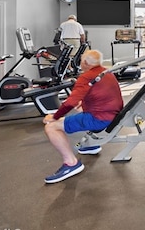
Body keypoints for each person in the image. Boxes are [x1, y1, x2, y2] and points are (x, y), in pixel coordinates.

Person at [42, 49, 123, 183]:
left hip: (99, 119)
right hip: (113, 114)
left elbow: (69, 103)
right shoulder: (107, 73)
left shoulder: (86, 78)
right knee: (79, 108)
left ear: (84, 62)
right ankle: (92, 145)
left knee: (51, 127)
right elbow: (103, 96)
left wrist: (54, 117)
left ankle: (71, 163)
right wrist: (84, 103)